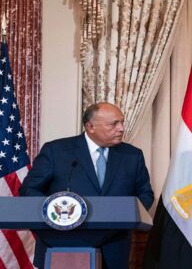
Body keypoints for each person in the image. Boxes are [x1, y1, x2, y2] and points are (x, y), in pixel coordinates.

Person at [20, 102, 154, 269]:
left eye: (122, 122)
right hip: (61, 244)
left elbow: (145, 193)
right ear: (90, 126)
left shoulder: (132, 155)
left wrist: (126, 215)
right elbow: (29, 190)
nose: (121, 128)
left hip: (114, 248)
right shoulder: (56, 151)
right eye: (114, 124)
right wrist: (54, 212)